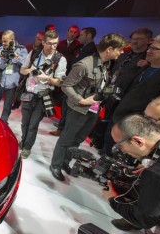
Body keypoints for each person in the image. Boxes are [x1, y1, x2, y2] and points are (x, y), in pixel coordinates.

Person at [49, 33, 127, 181]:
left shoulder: (106, 64)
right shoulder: (84, 64)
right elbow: (66, 86)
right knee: (66, 139)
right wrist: (81, 101)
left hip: (94, 109)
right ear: (110, 49)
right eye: (120, 49)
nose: (122, 52)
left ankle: (65, 162)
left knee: (78, 139)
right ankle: (55, 165)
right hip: (79, 109)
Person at [102, 114, 160, 234]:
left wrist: (112, 201)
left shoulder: (157, 173)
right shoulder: (158, 160)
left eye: (120, 146)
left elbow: (144, 219)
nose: (122, 151)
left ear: (138, 141)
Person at [19, 30, 67, 159]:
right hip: (29, 92)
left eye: (55, 44)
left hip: (43, 95)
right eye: (50, 44)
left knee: (33, 125)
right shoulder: (34, 53)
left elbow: (60, 82)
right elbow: (22, 70)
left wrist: (47, 78)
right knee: (24, 123)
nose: (53, 47)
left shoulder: (60, 59)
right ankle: (23, 141)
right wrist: (29, 70)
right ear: (43, 42)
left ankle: (27, 147)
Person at [0, 30, 28, 122]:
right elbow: (0, 65)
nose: (3, 43)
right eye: (2, 41)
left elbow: (24, 64)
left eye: (5, 41)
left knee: (7, 106)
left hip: (12, 82)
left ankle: (3, 122)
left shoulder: (22, 49)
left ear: (12, 39)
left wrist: (15, 57)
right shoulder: (0, 49)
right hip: (0, 80)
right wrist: (4, 59)